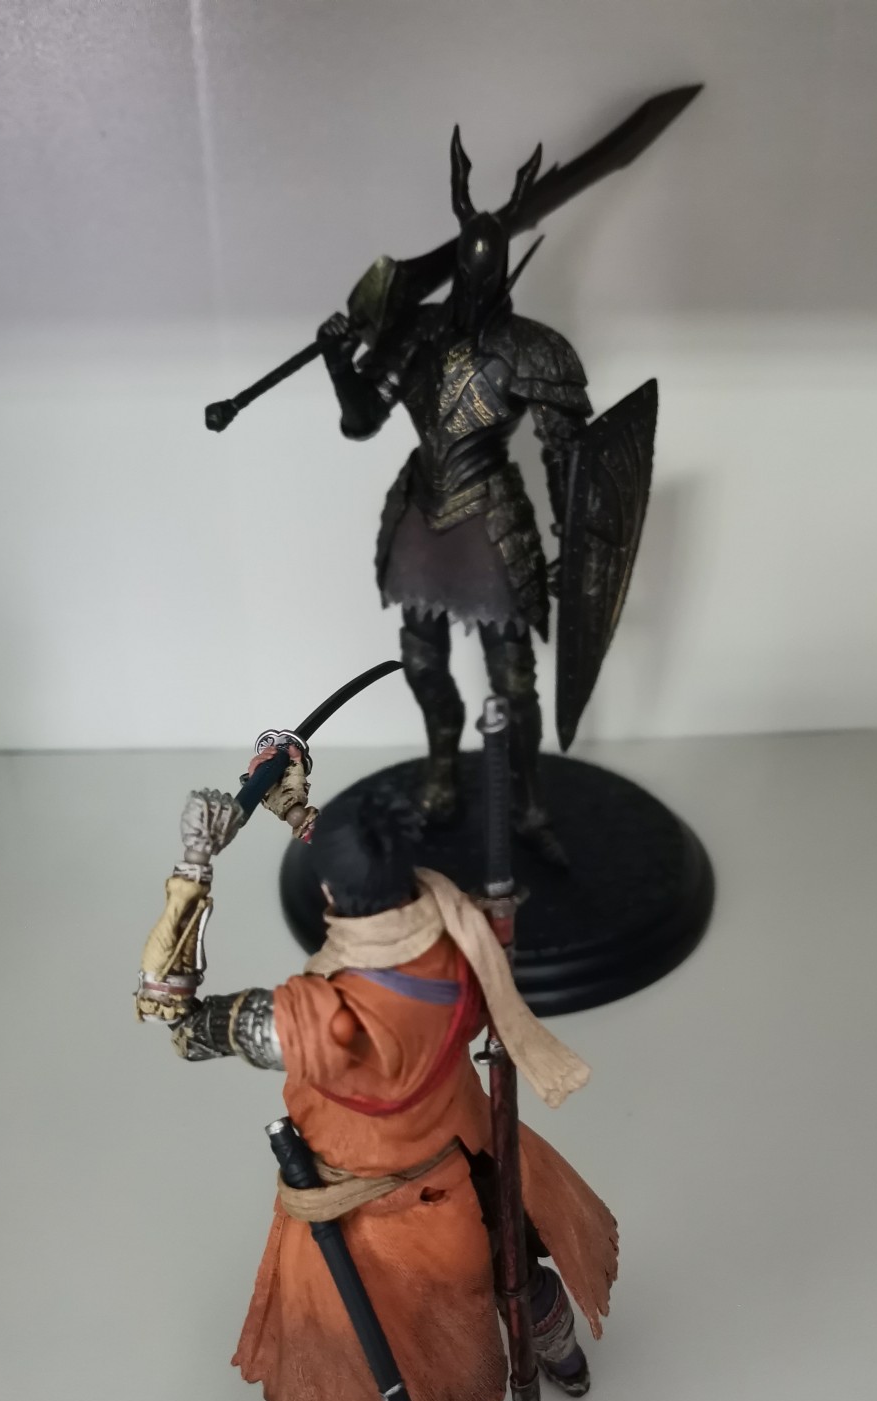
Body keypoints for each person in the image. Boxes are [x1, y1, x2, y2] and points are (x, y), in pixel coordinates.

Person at [169, 774, 618, 1401]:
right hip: (465, 1164)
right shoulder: (460, 925)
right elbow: (371, 869)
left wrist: (194, 865)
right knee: (510, 1264)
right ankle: (566, 1363)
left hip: (370, 1231)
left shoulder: (322, 1017)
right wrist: (297, 811)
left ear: (332, 898)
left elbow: (175, 1019)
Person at [314, 130, 592, 859]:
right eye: (465, 271)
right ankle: (441, 770)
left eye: (480, 272)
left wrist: (574, 543)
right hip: (420, 509)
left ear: (499, 271)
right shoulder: (416, 335)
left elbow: (568, 455)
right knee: (421, 662)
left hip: (491, 516)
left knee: (514, 681)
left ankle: (528, 802)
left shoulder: (535, 348)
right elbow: (361, 421)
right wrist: (341, 366)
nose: (469, 286)